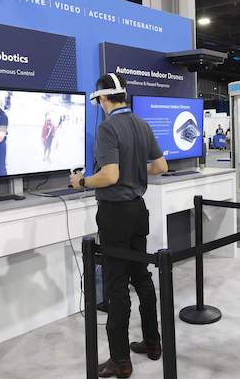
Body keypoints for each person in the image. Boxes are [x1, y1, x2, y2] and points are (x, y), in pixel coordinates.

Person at [70, 73, 168, 378]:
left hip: (115, 213)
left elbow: (109, 176)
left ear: (102, 99)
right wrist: (136, 171)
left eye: (98, 100)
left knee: (116, 285)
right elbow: (161, 167)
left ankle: (121, 361)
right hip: (139, 210)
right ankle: (153, 343)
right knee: (141, 276)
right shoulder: (141, 124)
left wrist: (81, 181)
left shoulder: (107, 127)